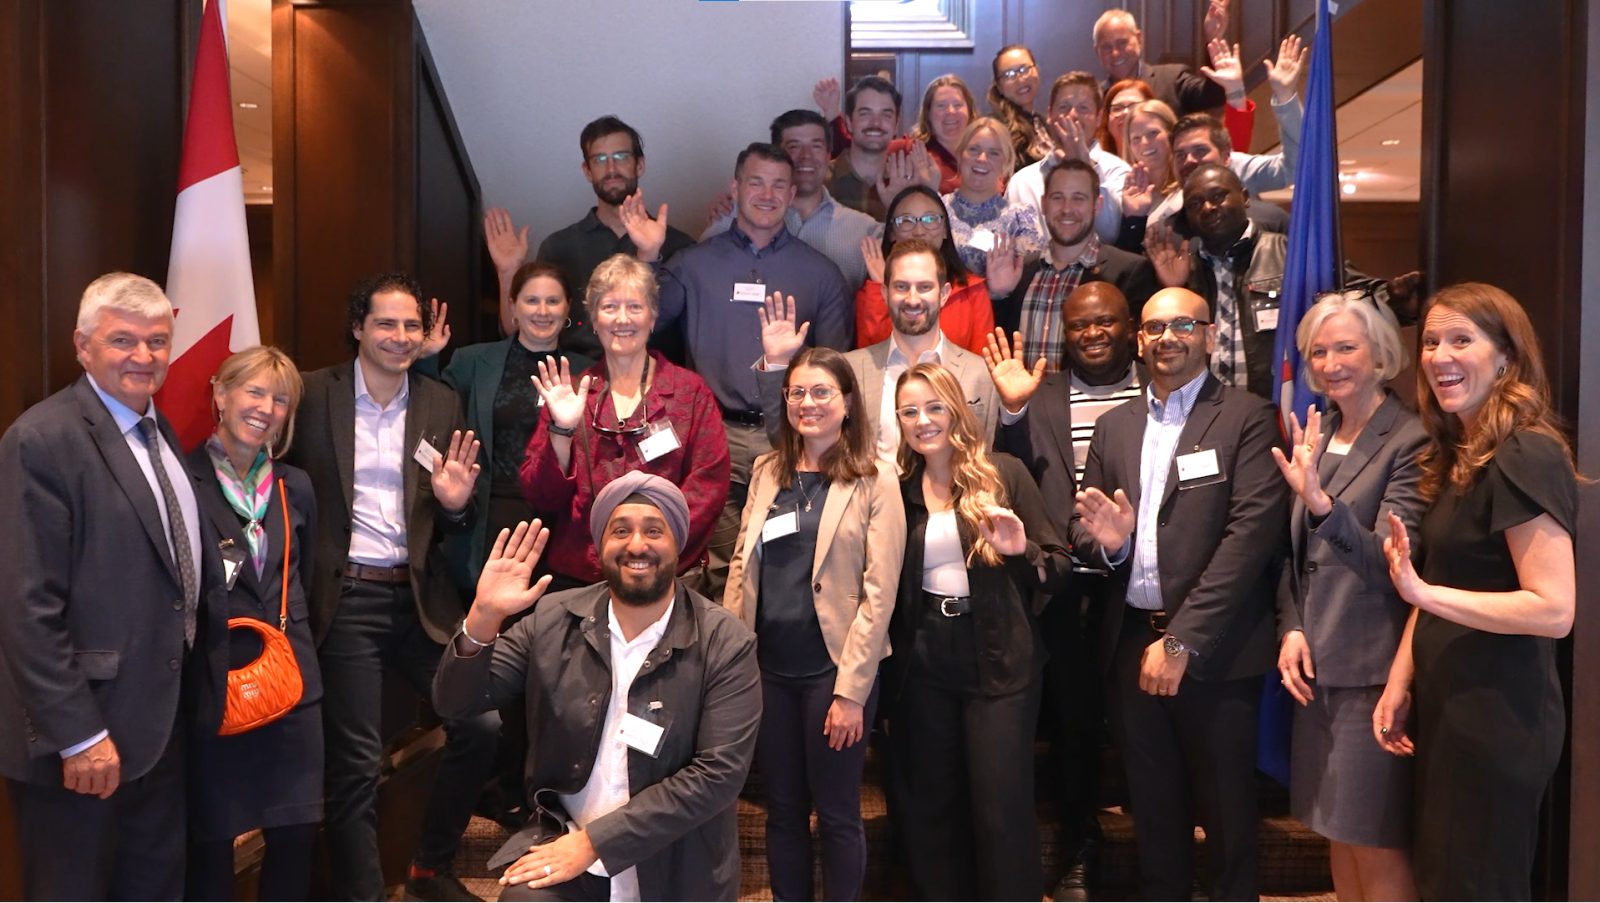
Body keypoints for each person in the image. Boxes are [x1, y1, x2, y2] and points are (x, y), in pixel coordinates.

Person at [0, 273, 226, 902]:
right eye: (123, 340)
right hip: (83, 739)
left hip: (161, 729)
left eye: (158, 341)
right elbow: (25, 606)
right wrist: (79, 733)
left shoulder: (163, 435)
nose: (144, 356)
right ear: (83, 345)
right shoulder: (42, 441)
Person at [431, 474, 762, 903]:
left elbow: (718, 775)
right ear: (599, 546)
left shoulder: (726, 641)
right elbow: (456, 703)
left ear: (678, 544)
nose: (637, 545)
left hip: (674, 865)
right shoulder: (552, 619)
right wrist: (482, 618)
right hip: (571, 851)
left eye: (654, 530)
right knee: (523, 899)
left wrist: (593, 844)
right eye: (620, 530)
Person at [282, 272, 499, 903]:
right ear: (358, 328)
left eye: (411, 326)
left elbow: (456, 516)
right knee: (353, 767)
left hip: (420, 601)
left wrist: (457, 505)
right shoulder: (312, 395)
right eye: (386, 324)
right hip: (344, 599)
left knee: (481, 725)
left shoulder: (438, 403)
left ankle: (429, 866)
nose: (400, 337)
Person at [1070, 287, 1291, 903]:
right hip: (1128, 646)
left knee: (1226, 817)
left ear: (1210, 335)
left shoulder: (1248, 416)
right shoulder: (1114, 426)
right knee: (1153, 812)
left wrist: (1182, 640)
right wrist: (1110, 546)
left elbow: (1251, 537)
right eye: (1154, 327)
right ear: (1139, 340)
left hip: (1214, 651)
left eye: (1183, 325)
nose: (1168, 337)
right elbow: (1081, 526)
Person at [1376, 284, 1577, 903]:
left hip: (1498, 720)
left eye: (1462, 339)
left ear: (1507, 359)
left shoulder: (1526, 452)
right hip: (1451, 709)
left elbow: (1553, 609)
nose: (1439, 356)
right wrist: (1399, 681)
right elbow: (1436, 584)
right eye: (1431, 341)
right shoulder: (1464, 454)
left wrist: (1423, 594)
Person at [629, 141, 852, 598]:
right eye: (756, 182)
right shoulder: (693, 263)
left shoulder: (821, 274)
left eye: (778, 185)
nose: (767, 194)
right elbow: (638, 324)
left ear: (792, 194)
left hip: (792, 437)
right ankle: (723, 661)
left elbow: (836, 370)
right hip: (715, 437)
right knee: (720, 565)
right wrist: (648, 258)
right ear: (735, 187)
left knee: (790, 562)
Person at [984, 282, 1148, 902]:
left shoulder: (1156, 392)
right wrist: (1014, 413)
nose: (1093, 334)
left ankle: (1165, 846)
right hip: (1060, 592)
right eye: (1080, 326)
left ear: (1129, 327)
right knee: (1074, 726)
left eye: (1106, 323)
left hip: (1140, 589)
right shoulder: (1040, 393)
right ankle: (1081, 846)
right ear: (1064, 331)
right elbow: (1010, 474)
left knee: (1146, 725)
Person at [724, 347, 906, 903]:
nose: (808, 403)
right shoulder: (766, 470)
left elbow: (880, 592)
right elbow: (740, 567)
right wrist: (733, 668)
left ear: (848, 402)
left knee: (836, 812)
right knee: (780, 810)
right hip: (768, 671)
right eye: (797, 392)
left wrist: (853, 692)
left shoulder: (876, 477)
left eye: (822, 392)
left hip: (833, 672)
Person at [886, 361, 1073, 903]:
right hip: (921, 660)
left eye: (933, 407)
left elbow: (1058, 572)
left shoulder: (1005, 472)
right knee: (931, 807)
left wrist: (1023, 552)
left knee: (1001, 807)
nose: (923, 421)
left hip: (1001, 656)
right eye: (909, 412)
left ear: (957, 410)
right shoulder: (896, 489)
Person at [1271, 294, 1425, 903]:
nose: (1331, 362)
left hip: (1372, 674)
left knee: (1376, 843)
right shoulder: (1322, 429)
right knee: (1334, 834)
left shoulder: (1409, 440)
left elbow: (1392, 565)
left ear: (1380, 353)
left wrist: (1320, 504)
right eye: (1319, 351)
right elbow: (1291, 556)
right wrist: (1291, 628)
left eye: (1346, 347)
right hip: (1316, 671)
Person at [185, 346, 323, 903]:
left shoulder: (297, 487)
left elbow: (303, 577)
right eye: (255, 391)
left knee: (295, 838)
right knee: (212, 842)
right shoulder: (182, 481)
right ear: (220, 394)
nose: (267, 407)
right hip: (216, 687)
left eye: (281, 398)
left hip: (293, 687)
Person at [521, 252, 731, 591]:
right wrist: (560, 431)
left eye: (635, 307)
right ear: (593, 319)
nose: (622, 319)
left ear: (653, 316)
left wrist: (649, 545)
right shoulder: (569, 393)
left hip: (666, 577)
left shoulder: (690, 393)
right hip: (581, 577)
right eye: (609, 307)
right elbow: (541, 496)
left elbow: (710, 485)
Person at [1145, 163, 1405, 399]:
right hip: (1207, 414)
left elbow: (1361, 295)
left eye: (1218, 196)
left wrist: (1399, 296)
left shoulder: (1291, 256)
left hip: (1278, 409)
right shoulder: (1183, 271)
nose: (1208, 208)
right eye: (1195, 203)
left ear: (1245, 197)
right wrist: (1175, 287)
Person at [417, 261, 596, 592]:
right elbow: (429, 413)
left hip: (562, 521)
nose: (542, 311)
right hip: (492, 513)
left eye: (553, 301)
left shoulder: (588, 373)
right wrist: (426, 358)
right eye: (531, 300)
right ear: (512, 305)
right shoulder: (473, 361)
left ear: (567, 307)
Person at [757, 240, 1000, 466]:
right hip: (867, 509)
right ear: (885, 293)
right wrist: (778, 362)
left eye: (924, 287)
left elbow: (992, 460)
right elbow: (790, 443)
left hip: (952, 508)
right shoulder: (850, 369)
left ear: (944, 294)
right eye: (901, 287)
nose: (912, 299)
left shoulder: (980, 372)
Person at [485, 115, 695, 360]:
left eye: (621, 157)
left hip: (661, 388)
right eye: (599, 160)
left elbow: (699, 336)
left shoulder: (681, 246)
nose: (611, 169)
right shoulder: (558, 247)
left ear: (640, 165)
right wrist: (508, 273)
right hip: (576, 384)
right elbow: (519, 335)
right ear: (587, 170)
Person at [991, 160, 1158, 374]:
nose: (1067, 209)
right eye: (1057, 198)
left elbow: (1140, 353)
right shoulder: (1020, 270)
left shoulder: (1128, 271)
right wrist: (999, 296)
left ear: (1097, 205)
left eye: (1078, 198)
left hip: (1092, 403)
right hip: (1023, 403)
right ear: (1043, 204)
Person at [703, 109, 883, 291]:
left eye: (816, 146)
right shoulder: (729, 217)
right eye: (794, 146)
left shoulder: (864, 230)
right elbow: (701, 281)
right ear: (777, 154)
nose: (806, 156)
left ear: (829, 156)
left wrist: (896, 200)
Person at [1146, 36, 1309, 228]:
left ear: (1226, 157)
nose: (1189, 160)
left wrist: (1285, 95)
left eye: (1200, 150)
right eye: (1180, 155)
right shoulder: (1165, 217)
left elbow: (1296, 166)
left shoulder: (1239, 170)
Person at [855, 185, 995, 354]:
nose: (919, 231)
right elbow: (870, 362)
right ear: (891, 233)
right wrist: (881, 288)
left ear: (945, 230)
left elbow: (980, 366)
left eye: (930, 219)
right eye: (907, 221)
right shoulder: (872, 291)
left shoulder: (972, 290)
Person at [1006, 72, 1133, 246]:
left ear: (1098, 118)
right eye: (1064, 107)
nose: (1072, 115)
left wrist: (1085, 165)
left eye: (1083, 108)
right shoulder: (1022, 182)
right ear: (1050, 114)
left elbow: (1109, 234)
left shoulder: (1118, 172)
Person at [943, 117, 1047, 276]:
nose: (982, 159)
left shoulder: (1021, 218)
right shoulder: (938, 210)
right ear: (959, 154)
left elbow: (1032, 278)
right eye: (974, 149)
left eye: (994, 153)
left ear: (1006, 163)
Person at [1093, 5, 1229, 116]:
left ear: (1139, 39)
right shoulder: (1096, 99)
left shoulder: (1171, 79)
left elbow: (1213, 97)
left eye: (1122, 43)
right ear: (1096, 52)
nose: (1115, 53)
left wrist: (1213, 39)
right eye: (1106, 47)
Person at [886, 74, 977, 194]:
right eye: (941, 106)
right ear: (928, 114)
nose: (950, 111)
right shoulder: (909, 150)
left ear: (970, 111)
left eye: (957, 105)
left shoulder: (985, 153)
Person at [827, 75, 903, 219]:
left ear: (896, 125)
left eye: (886, 115)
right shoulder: (822, 181)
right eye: (865, 114)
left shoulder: (907, 183)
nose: (875, 123)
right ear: (849, 122)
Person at [1112, 99, 1179, 253]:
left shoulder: (1190, 184)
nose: (1145, 142)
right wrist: (1133, 218)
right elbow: (1127, 259)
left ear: (1172, 133)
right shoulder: (1126, 195)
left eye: (1153, 133)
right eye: (1136, 138)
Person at [987, 45, 1053, 167]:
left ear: (1037, 70)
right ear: (999, 86)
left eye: (1024, 69)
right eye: (1009, 74)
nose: (1020, 79)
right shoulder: (995, 128)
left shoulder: (1047, 123)